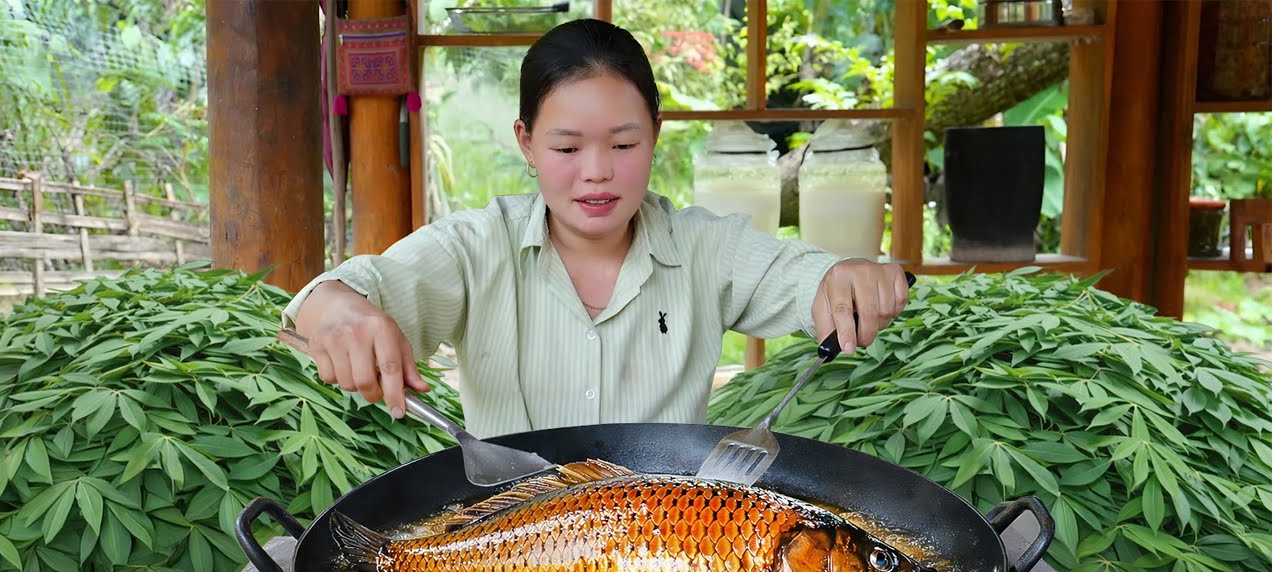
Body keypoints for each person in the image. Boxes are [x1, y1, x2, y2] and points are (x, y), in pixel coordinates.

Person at [283, 19, 911, 439]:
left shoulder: (705, 248)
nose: (597, 173)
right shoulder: (477, 248)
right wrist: (339, 312)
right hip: (511, 551)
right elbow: (332, 299)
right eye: (566, 148)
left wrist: (847, 280)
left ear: (655, 135)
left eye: (623, 144)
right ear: (526, 143)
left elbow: (808, 281)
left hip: (667, 549)